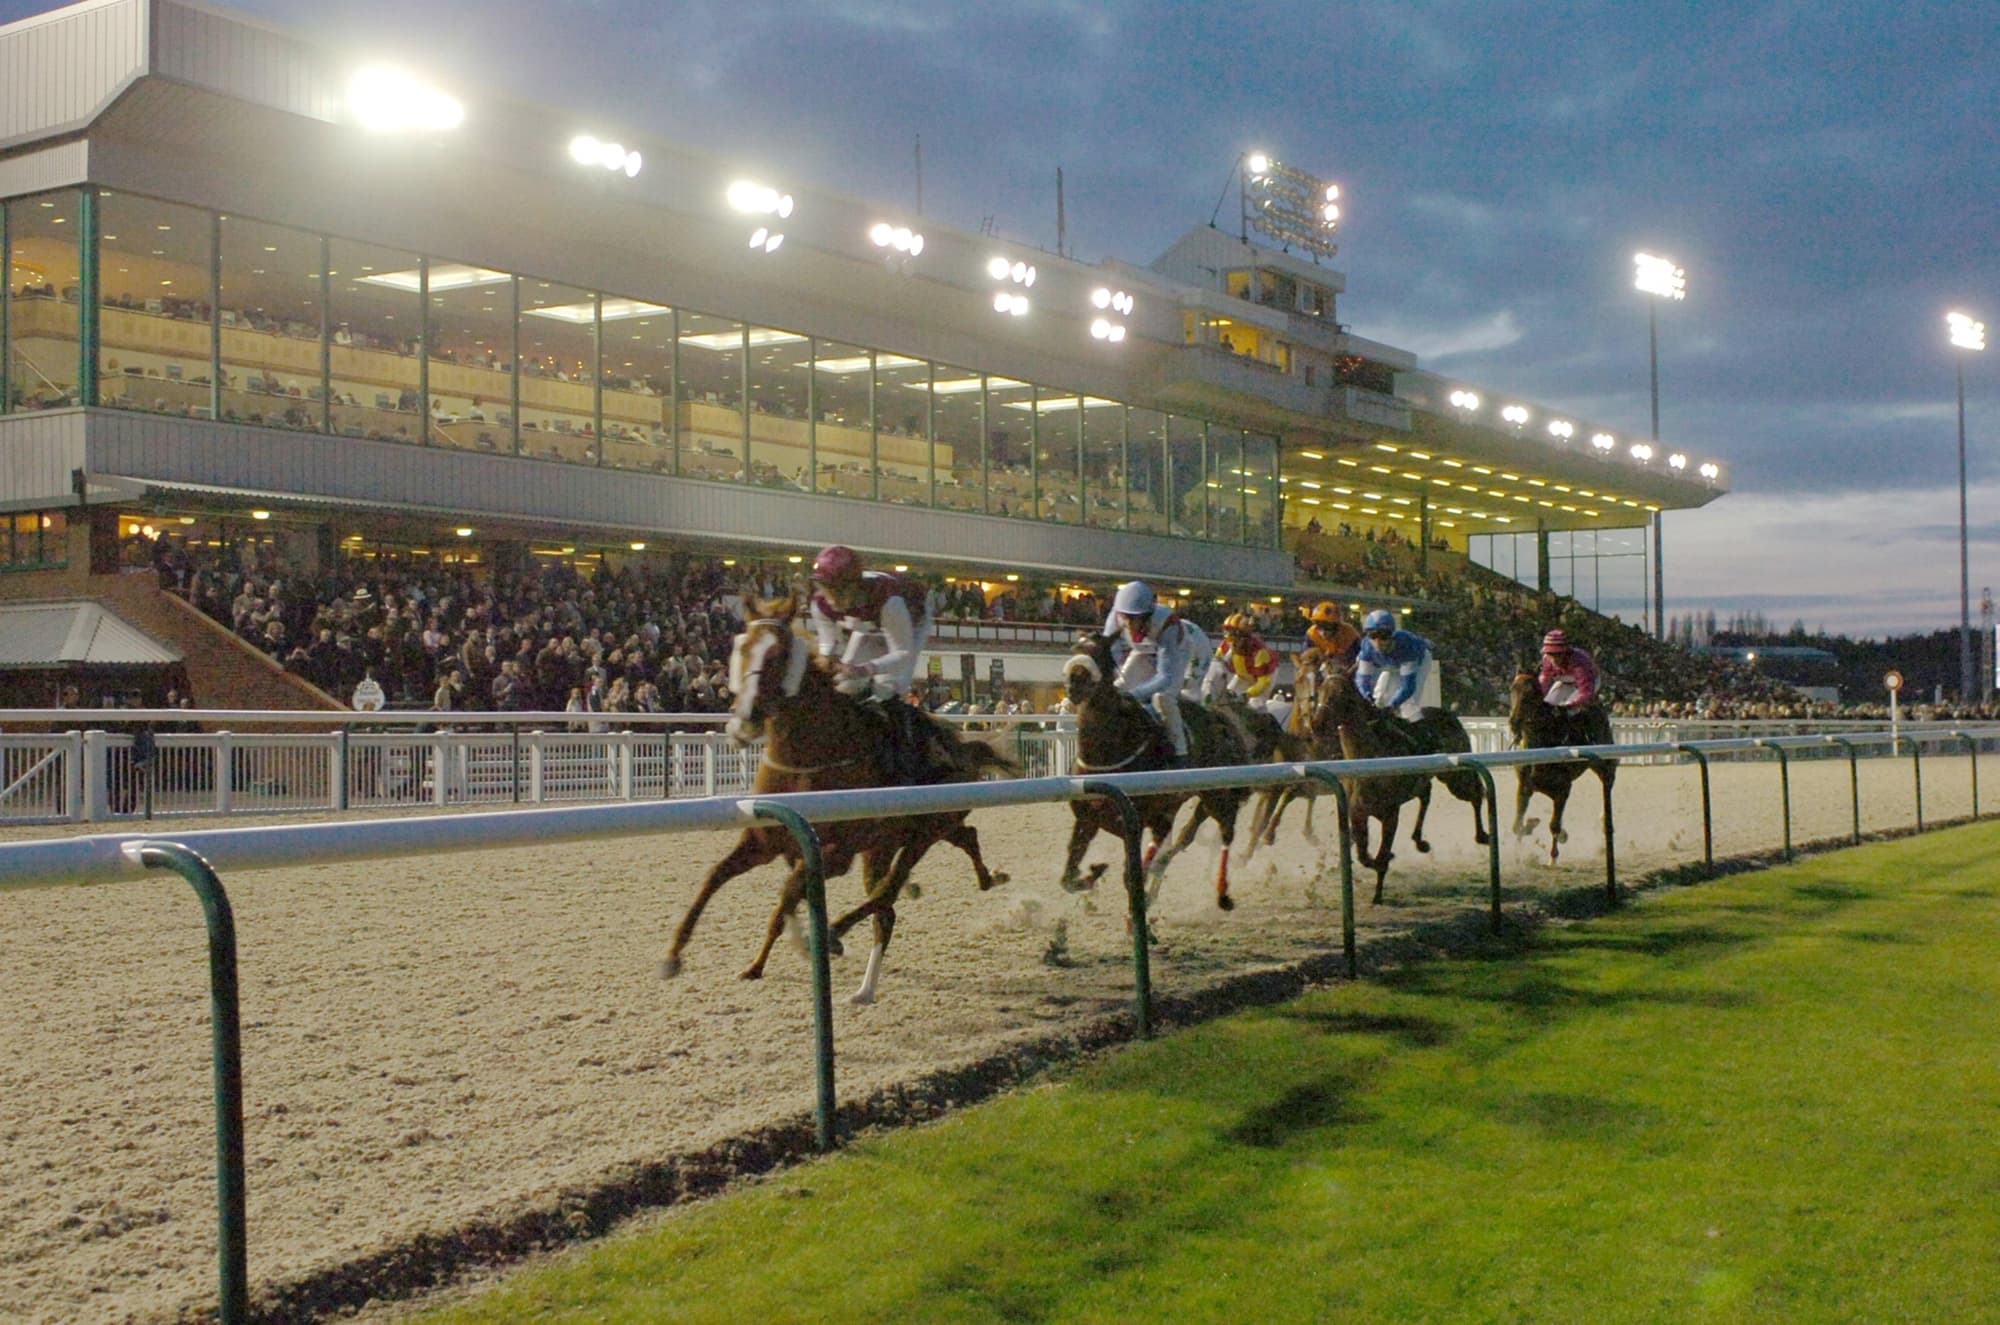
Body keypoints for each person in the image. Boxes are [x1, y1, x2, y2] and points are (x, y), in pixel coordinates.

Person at [808, 544, 943, 782]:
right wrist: (828, 664)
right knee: (843, 686)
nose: (830, 598)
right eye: (825, 588)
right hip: (868, 625)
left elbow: (901, 653)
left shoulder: (889, 601)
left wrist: (864, 669)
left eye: (836, 590)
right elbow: (828, 648)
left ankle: (908, 761)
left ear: (854, 585)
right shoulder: (820, 603)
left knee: (887, 689)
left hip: (910, 624)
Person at [1098, 580, 1206, 767]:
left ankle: (1181, 753)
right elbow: (1110, 655)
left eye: (1135, 618)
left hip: (1187, 648)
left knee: (1162, 698)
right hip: (1147, 648)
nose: (1129, 624)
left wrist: (1134, 694)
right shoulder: (1116, 617)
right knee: (1118, 688)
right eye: (1126, 618)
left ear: (1147, 615)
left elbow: (1165, 677)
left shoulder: (1167, 624)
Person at [1354, 609, 1437, 721]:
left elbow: (1408, 687)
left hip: (1419, 661)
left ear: (1392, 634)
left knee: (1407, 703)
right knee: (1378, 698)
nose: (1377, 642)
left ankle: (1416, 728)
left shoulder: (1406, 646)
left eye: (1383, 636)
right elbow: (1362, 680)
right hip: (1390, 664)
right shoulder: (1367, 647)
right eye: (1372, 635)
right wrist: (1367, 696)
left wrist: (1393, 705)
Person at [1201, 611, 1278, 707]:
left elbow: (1263, 682)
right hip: (1242, 676)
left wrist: (1247, 695)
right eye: (1226, 633)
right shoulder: (1225, 646)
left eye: (1232, 634)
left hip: (1264, 679)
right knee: (1226, 698)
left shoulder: (1259, 652)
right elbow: (1216, 665)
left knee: (1255, 705)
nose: (1228, 638)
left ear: (1242, 636)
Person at [1536, 629, 1599, 709]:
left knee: (1569, 708)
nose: (1554, 659)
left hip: (1589, 680)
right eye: (1550, 653)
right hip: (1564, 681)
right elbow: (1543, 682)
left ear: (1565, 651)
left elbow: (1586, 691)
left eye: (1558, 654)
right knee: (1548, 703)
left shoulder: (1578, 662)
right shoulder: (1546, 660)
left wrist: (1573, 705)